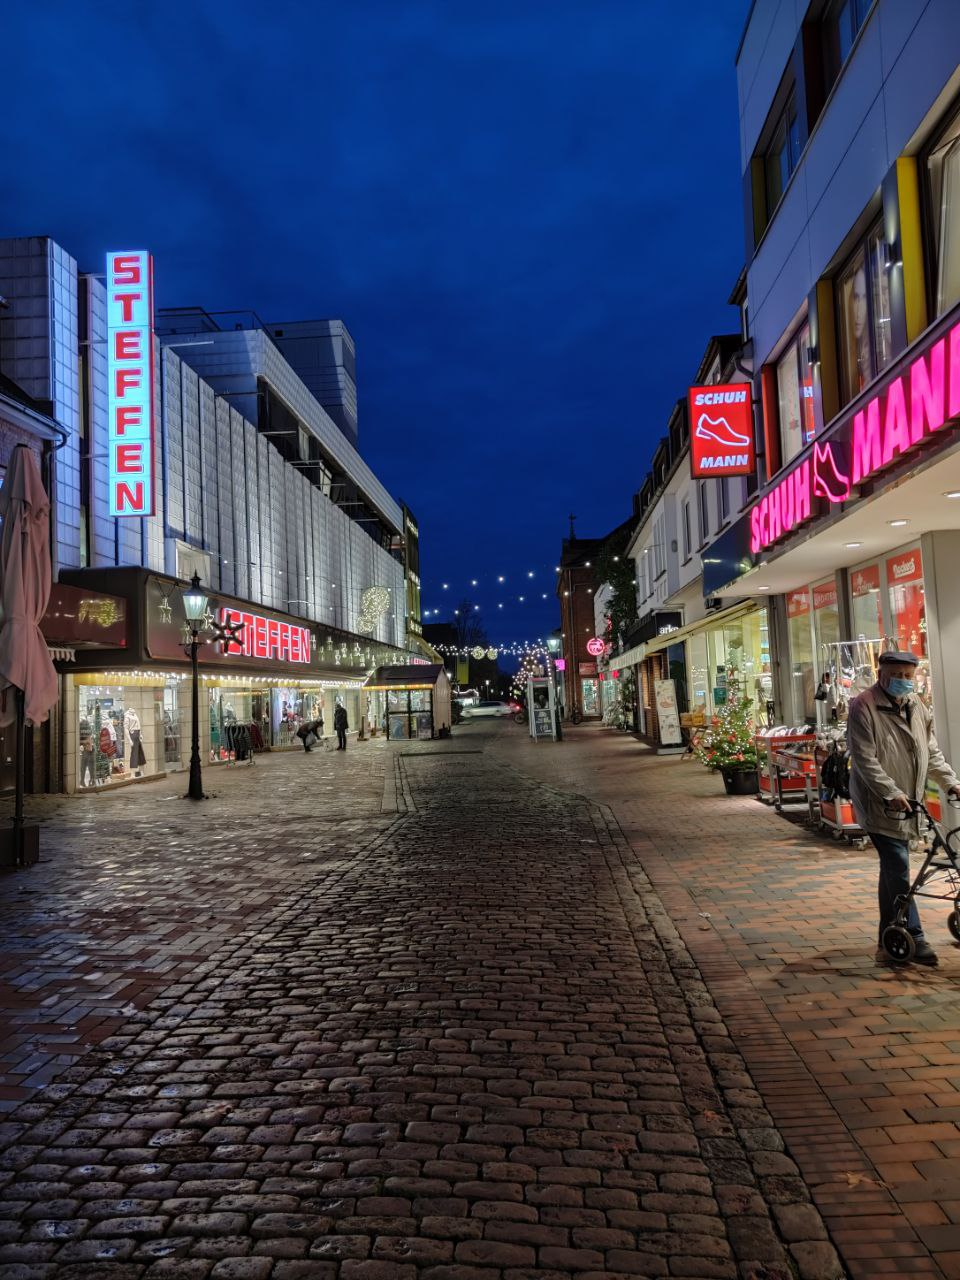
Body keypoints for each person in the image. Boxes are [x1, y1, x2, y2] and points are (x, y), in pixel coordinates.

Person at [847, 651, 960, 966]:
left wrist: (951, 782)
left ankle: (889, 930)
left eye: (908, 676)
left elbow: (931, 751)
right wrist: (890, 792)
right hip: (879, 802)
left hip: (911, 802)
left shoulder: (917, 706)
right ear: (881, 672)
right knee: (897, 863)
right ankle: (915, 934)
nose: (903, 681)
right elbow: (865, 759)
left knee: (892, 869)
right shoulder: (863, 707)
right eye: (897, 675)